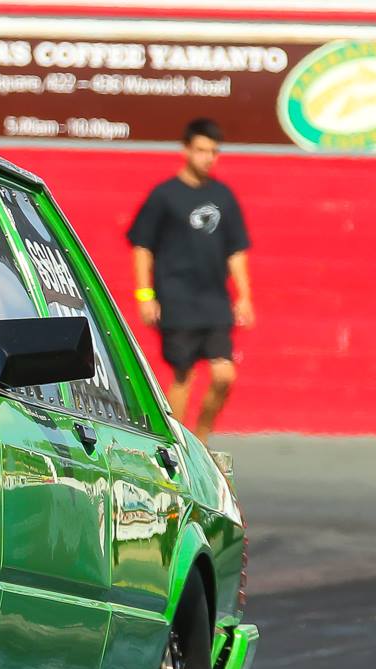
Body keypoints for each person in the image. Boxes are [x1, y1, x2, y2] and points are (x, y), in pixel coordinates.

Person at [127, 118, 254, 441]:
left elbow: (236, 250)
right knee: (183, 376)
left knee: (224, 375)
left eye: (213, 151)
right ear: (186, 150)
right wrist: (145, 295)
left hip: (214, 302)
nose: (208, 158)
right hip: (176, 300)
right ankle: (177, 445)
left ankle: (201, 440)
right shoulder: (165, 196)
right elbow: (142, 247)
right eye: (201, 150)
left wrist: (244, 296)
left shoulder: (223, 196)